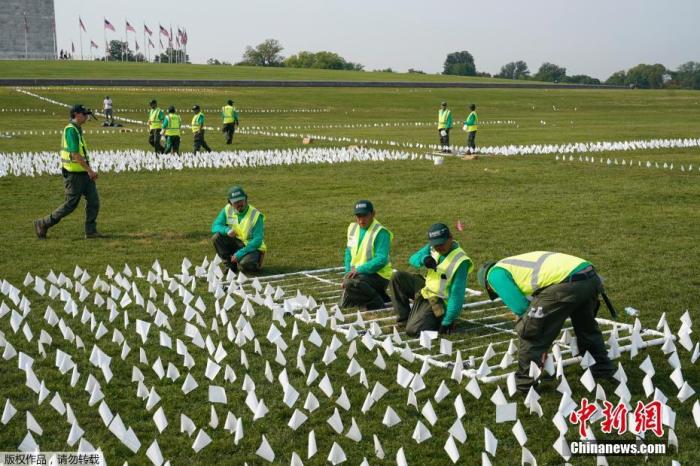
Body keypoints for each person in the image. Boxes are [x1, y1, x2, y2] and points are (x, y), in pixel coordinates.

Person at [477, 251, 616, 393]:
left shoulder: (494, 274)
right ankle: (602, 368)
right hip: (590, 276)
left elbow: (520, 307)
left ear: (488, 286)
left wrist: (529, 320)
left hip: (567, 283)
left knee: (530, 332)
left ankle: (525, 384)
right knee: (587, 327)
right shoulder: (512, 264)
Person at [390, 223, 471, 336]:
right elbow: (412, 258)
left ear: (450, 238)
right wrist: (424, 258)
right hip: (427, 289)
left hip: (440, 300)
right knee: (397, 277)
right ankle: (403, 320)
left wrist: (448, 320)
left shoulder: (461, 261)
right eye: (435, 245)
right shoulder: (432, 247)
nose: (438, 248)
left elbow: (456, 295)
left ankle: (438, 319)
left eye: (441, 244)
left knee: (413, 330)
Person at [34, 104, 101, 239]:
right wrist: (90, 170)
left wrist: (88, 171)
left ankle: (91, 231)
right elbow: (75, 154)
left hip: (83, 173)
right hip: (74, 175)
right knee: (70, 204)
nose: (87, 116)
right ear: (76, 114)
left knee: (94, 201)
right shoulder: (71, 130)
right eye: (84, 114)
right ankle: (43, 223)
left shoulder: (77, 129)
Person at [340, 200, 394, 311]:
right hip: (360, 274)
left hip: (379, 276)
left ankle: (376, 302)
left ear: (373, 214)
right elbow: (348, 252)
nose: (361, 220)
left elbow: (381, 260)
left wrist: (359, 270)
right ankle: (382, 297)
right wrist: (347, 273)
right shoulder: (352, 228)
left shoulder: (381, 232)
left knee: (350, 283)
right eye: (358, 216)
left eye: (365, 216)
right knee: (345, 305)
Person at [211, 185, 266, 273]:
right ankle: (230, 266)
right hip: (237, 243)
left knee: (247, 265)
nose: (239, 204)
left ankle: (255, 264)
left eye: (241, 200)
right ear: (230, 203)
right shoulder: (227, 209)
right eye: (235, 202)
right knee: (216, 237)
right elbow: (215, 226)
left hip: (252, 247)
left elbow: (257, 240)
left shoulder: (255, 215)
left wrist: (240, 253)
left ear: (246, 199)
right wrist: (227, 230)